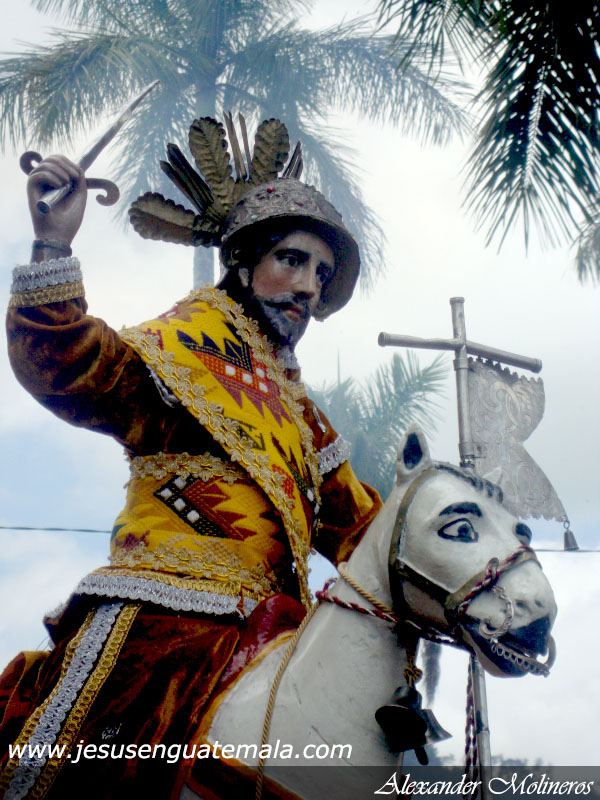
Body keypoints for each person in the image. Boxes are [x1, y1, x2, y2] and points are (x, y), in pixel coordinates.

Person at [0, 117, 381, 798]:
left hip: (271, 637)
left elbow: (365, 534)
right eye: (292, 260)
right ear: (244, 263)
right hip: (160, 621)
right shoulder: (182, 351)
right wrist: (53, 242)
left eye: (322, 273)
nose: (308, 287)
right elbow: (66, 362)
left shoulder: (303, 418)